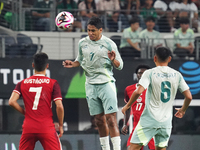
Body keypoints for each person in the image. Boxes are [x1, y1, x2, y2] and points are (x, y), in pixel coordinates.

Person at [63, 17, 123, 150]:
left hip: (106, 83)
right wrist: (72, 64)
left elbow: (120, 66)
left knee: (111, 119)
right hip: (90, 85)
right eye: (89, 30)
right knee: (99, 121)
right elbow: (79, 60)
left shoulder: (109, 44)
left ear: (100, 30)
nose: (90, 33)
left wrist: (113, 60)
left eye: (93, 31)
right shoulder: (82, 43)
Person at [122, 46, 192, 150]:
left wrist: (127, 105)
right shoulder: (177, 75)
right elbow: (189, 97)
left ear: (155, 58)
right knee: (160, 148)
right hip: (166, 121)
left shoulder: (149, 73)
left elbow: (139, 91)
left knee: (133, 148)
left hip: (149, 119)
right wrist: (183, 110)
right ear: (169, 59)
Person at [9, 52, 64, 150]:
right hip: (46, 127)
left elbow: (11, 101)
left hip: (28, 127)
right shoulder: (53, 83)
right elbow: (59, 106)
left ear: (33, 65)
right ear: (47, 66)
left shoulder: (22, 83)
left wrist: (25, 113)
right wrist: (60, 125)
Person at [121, 64, 155, 150]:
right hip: (137, 127)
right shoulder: (129, 89)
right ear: (136, 75)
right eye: (139, 73)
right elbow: (128, 107)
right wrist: (125, 124)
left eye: (144, 73)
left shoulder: (154, 89)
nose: (141, 75)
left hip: (151, 126)